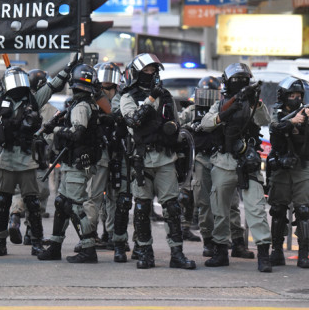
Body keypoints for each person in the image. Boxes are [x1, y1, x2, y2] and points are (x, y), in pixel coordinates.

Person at [0, 57, 75, 257]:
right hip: (6, 159)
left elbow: (53, 86)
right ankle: (0, 242)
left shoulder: (33, 100)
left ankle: (36, 241)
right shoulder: (0, 100)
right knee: (3, 202)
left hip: (26, 159)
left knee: (32, 203)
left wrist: (67, 68)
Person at [120, 53, 196, 270]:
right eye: (146, 70)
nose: (151, 74)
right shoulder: (128, 97)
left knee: (172, 207)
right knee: (142, 208)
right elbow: (133, 121)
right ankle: (144, 252)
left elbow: (176, 125)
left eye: (154, 70)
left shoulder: (166, 96)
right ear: (136, 73)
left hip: (165, 159)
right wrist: (151, 99)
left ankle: (177, 254)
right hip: (141, 160)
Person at [200, 63, 273, 272]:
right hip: (223, 162)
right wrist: (226, 112)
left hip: (247, 162)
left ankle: (264, 255)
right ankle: (221, 252)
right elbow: (206, 124)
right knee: (220, 210)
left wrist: (254, 102)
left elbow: (264, 120)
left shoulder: (253, 104)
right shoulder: (221, 103)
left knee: (256, 210)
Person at [179, 76, 253, 259]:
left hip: (223, 158)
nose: (208, 98)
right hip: (203, 159)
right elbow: (178, 130)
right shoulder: (191, 111)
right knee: (204, 202)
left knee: (232, 203)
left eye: (213, 94)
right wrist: (191, 127)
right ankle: (209, 241)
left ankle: (237, 241)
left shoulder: (226, 107)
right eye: (204, 93)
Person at [37, 63, 102, 263]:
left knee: (74, 206)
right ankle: (55, 246)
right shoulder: (81, 103)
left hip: (77, 163)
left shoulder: (81, 106)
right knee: (62, 203)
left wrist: (54, 130)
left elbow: (77, 133)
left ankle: (89, 249)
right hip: (71, 161)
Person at [267, 76, 309, 269]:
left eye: (299, 95)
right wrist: (292, 122)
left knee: (304, 211)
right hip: (282, 167)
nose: (296, 98)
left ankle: (304, 254)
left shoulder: (306, 111)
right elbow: (274, 128)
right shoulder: (277, 113)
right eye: (292, 95)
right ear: (284, 96)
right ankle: (276, 251)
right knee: (278, 210)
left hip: (303, 166)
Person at [10, 69, 57, 245]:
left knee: (20, 191)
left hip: (20, 155)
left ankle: (15, 217)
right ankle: (32, 230)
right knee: (39, 193)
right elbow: (53, 136)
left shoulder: (19, 104)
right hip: (40, 158)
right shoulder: (50, 110)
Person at [94, 62, 132, 262]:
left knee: (119, 197)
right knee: (96, 197)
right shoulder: (93, 96)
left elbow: (125, 118)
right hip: (99, 153)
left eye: (110, 83)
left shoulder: (124, 97)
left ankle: (118, 237)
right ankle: (97, 235)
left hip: (119, 152)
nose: (106, 86)